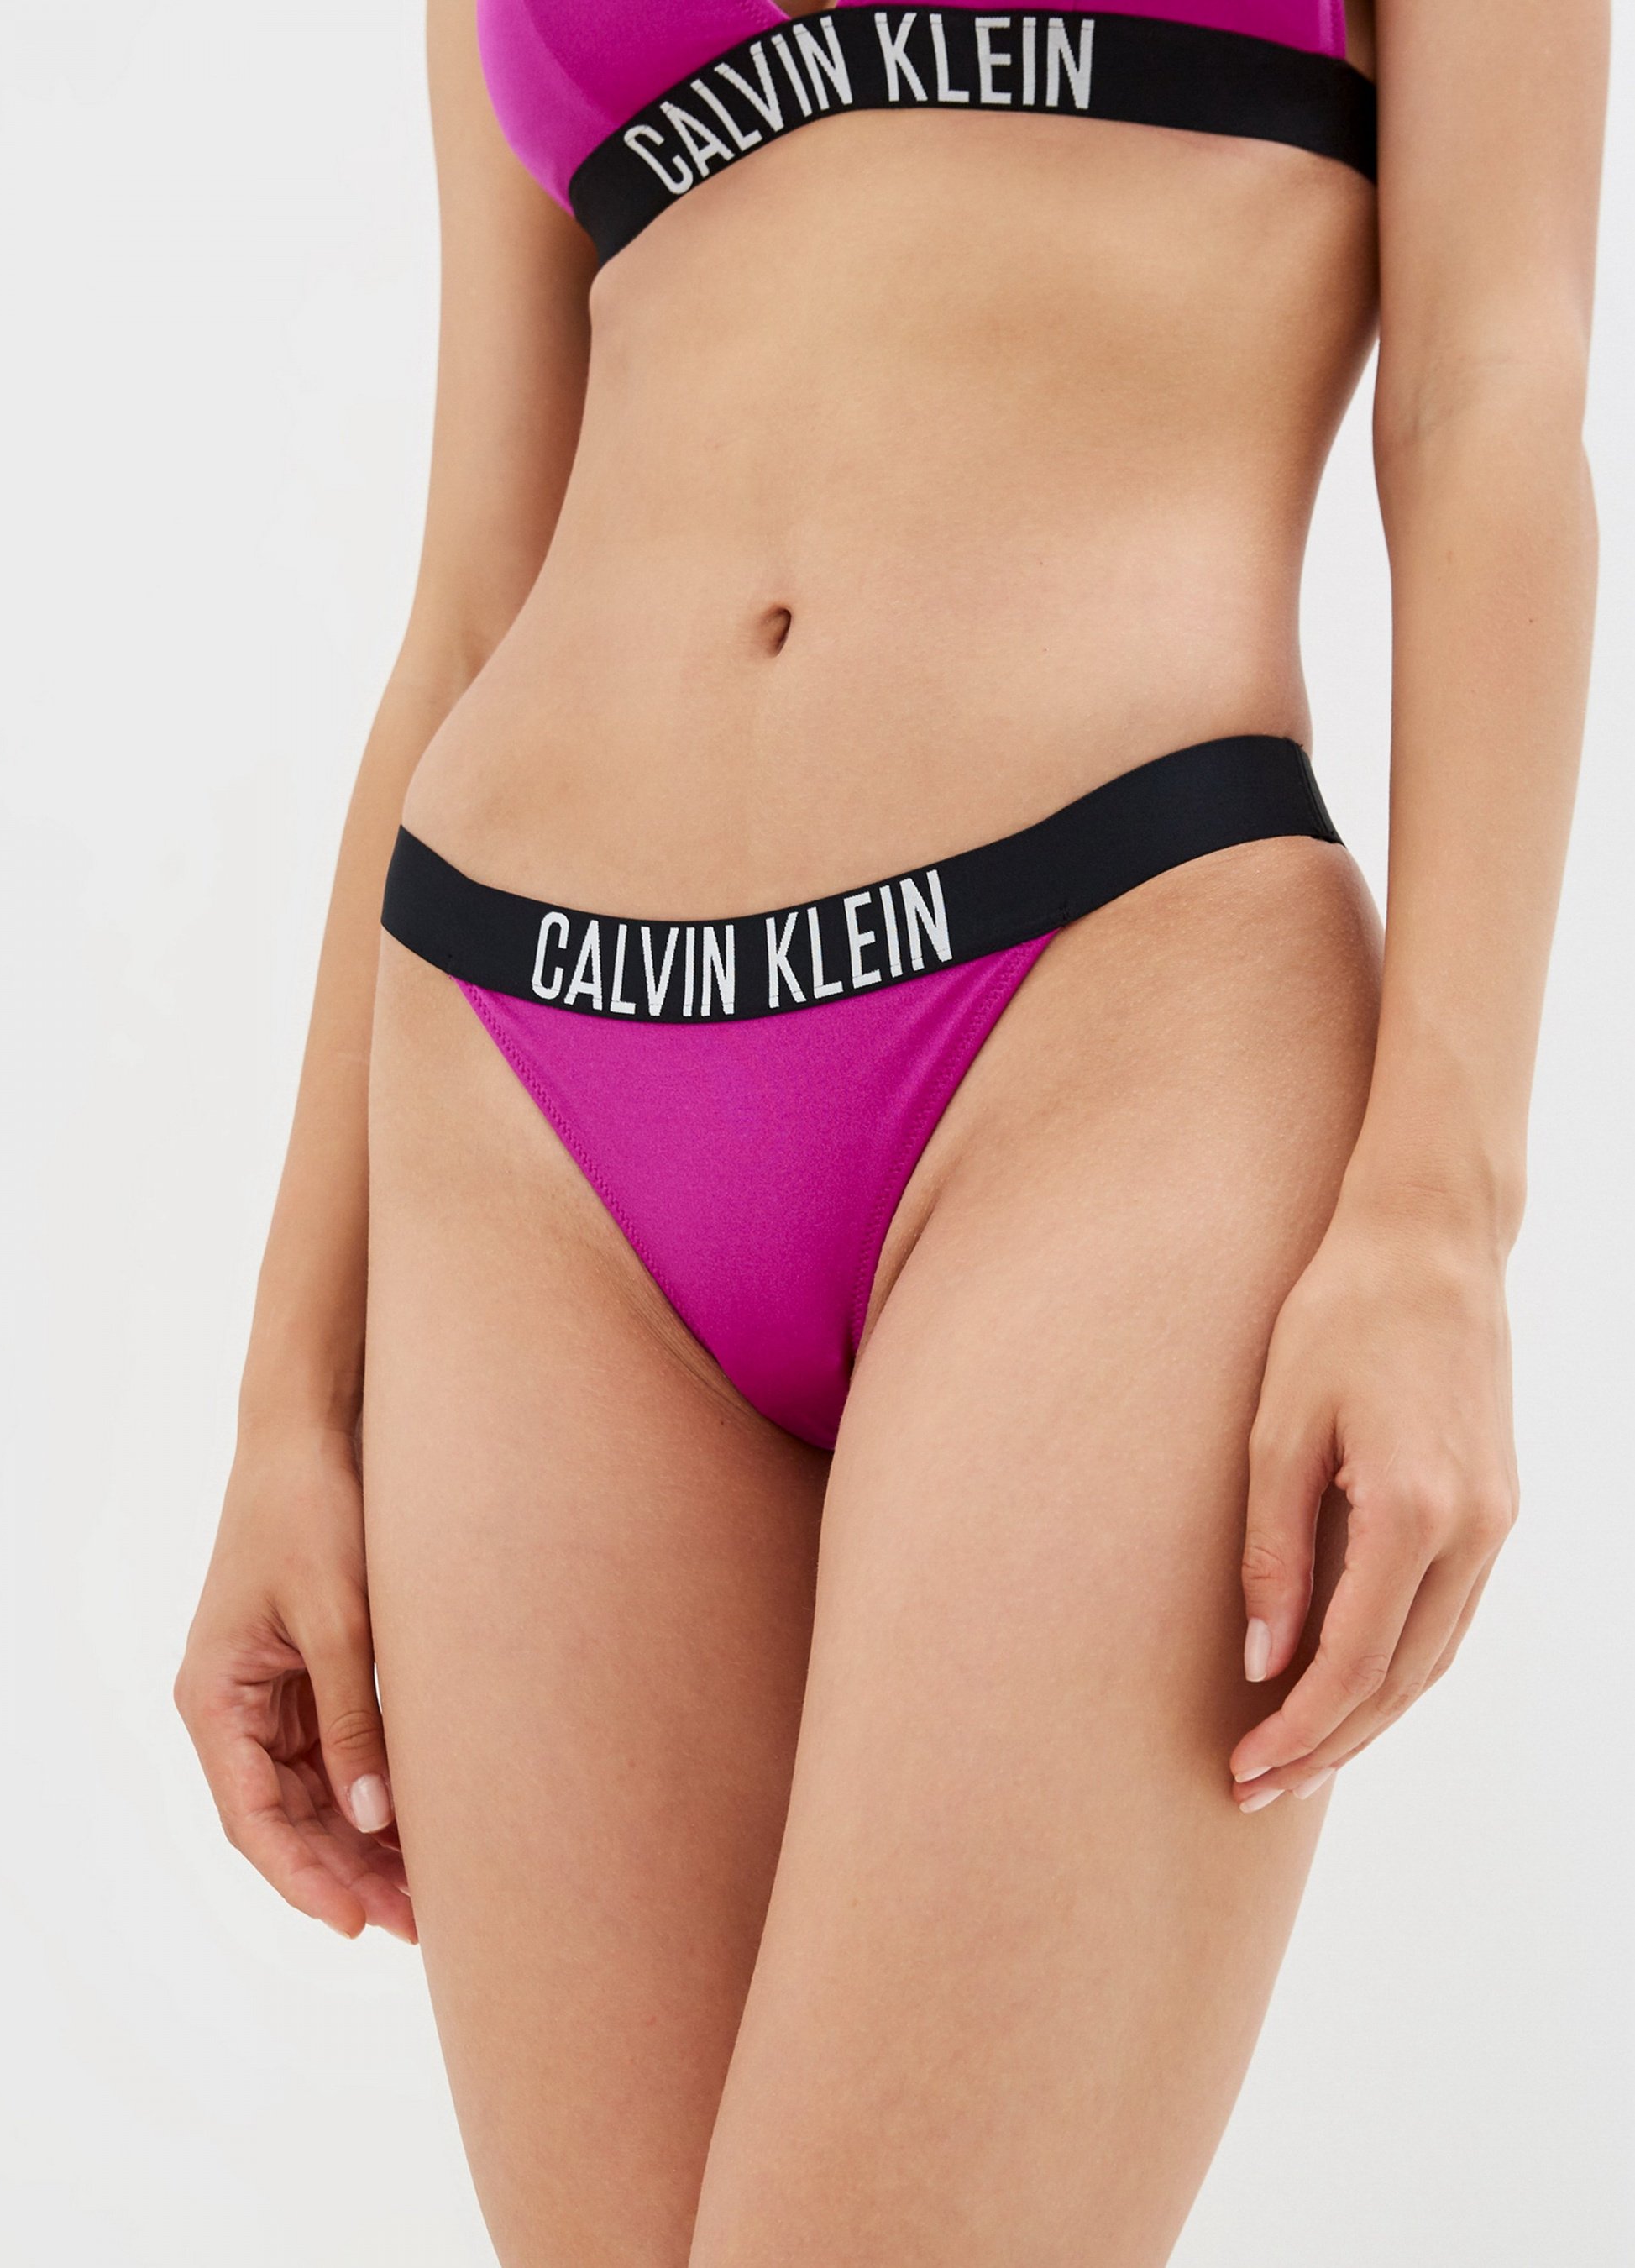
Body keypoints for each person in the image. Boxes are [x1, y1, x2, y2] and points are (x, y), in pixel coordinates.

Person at [176, 3, 1606, 2259]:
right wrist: (290, 1392)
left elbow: (1491, 391)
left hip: (1109, 1008)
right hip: (522, 1086)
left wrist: (1444, 1209)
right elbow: (467, 588)